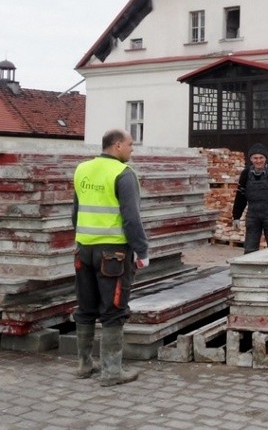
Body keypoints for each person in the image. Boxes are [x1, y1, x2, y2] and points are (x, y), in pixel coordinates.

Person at [71, 128, 149, 387]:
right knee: (113, 310)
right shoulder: (123, 174)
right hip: (113, 254)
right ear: (117, 146)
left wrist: (82, 239)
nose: (132, 149)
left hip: (84, 250)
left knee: (86, 307)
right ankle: (112, 372)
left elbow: (76, 212)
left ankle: (84, 365)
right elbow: (131, 218)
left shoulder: (82, 169)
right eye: (130, 145)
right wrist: (142, 250)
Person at [231, 143, 268, 254]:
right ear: (251, 159)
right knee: (250, 249)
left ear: (265, 158)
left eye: (261, 158)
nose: (258, 161)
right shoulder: (245, 174)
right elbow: (240, 197)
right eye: (255, 158)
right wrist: (236, 216)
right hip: (253, 215)